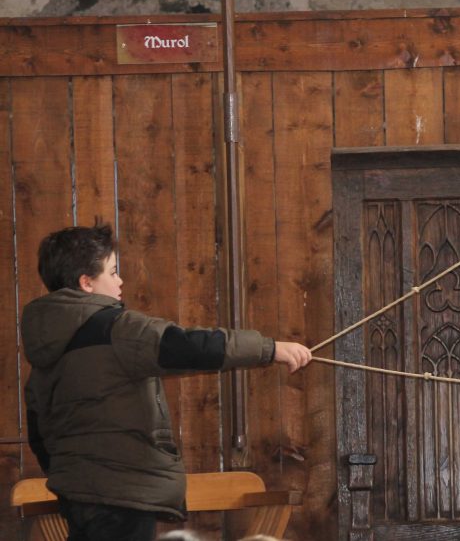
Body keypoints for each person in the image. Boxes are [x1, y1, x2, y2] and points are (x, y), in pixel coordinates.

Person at [22, 223, 314, 541]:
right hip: (123, 492)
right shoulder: (117, 329)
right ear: (86, 282)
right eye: (113, 272)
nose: (120, 281)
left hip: (78, 493)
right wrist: (270, 349)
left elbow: (40, 433)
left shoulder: (46, 347)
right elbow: (190, 346)